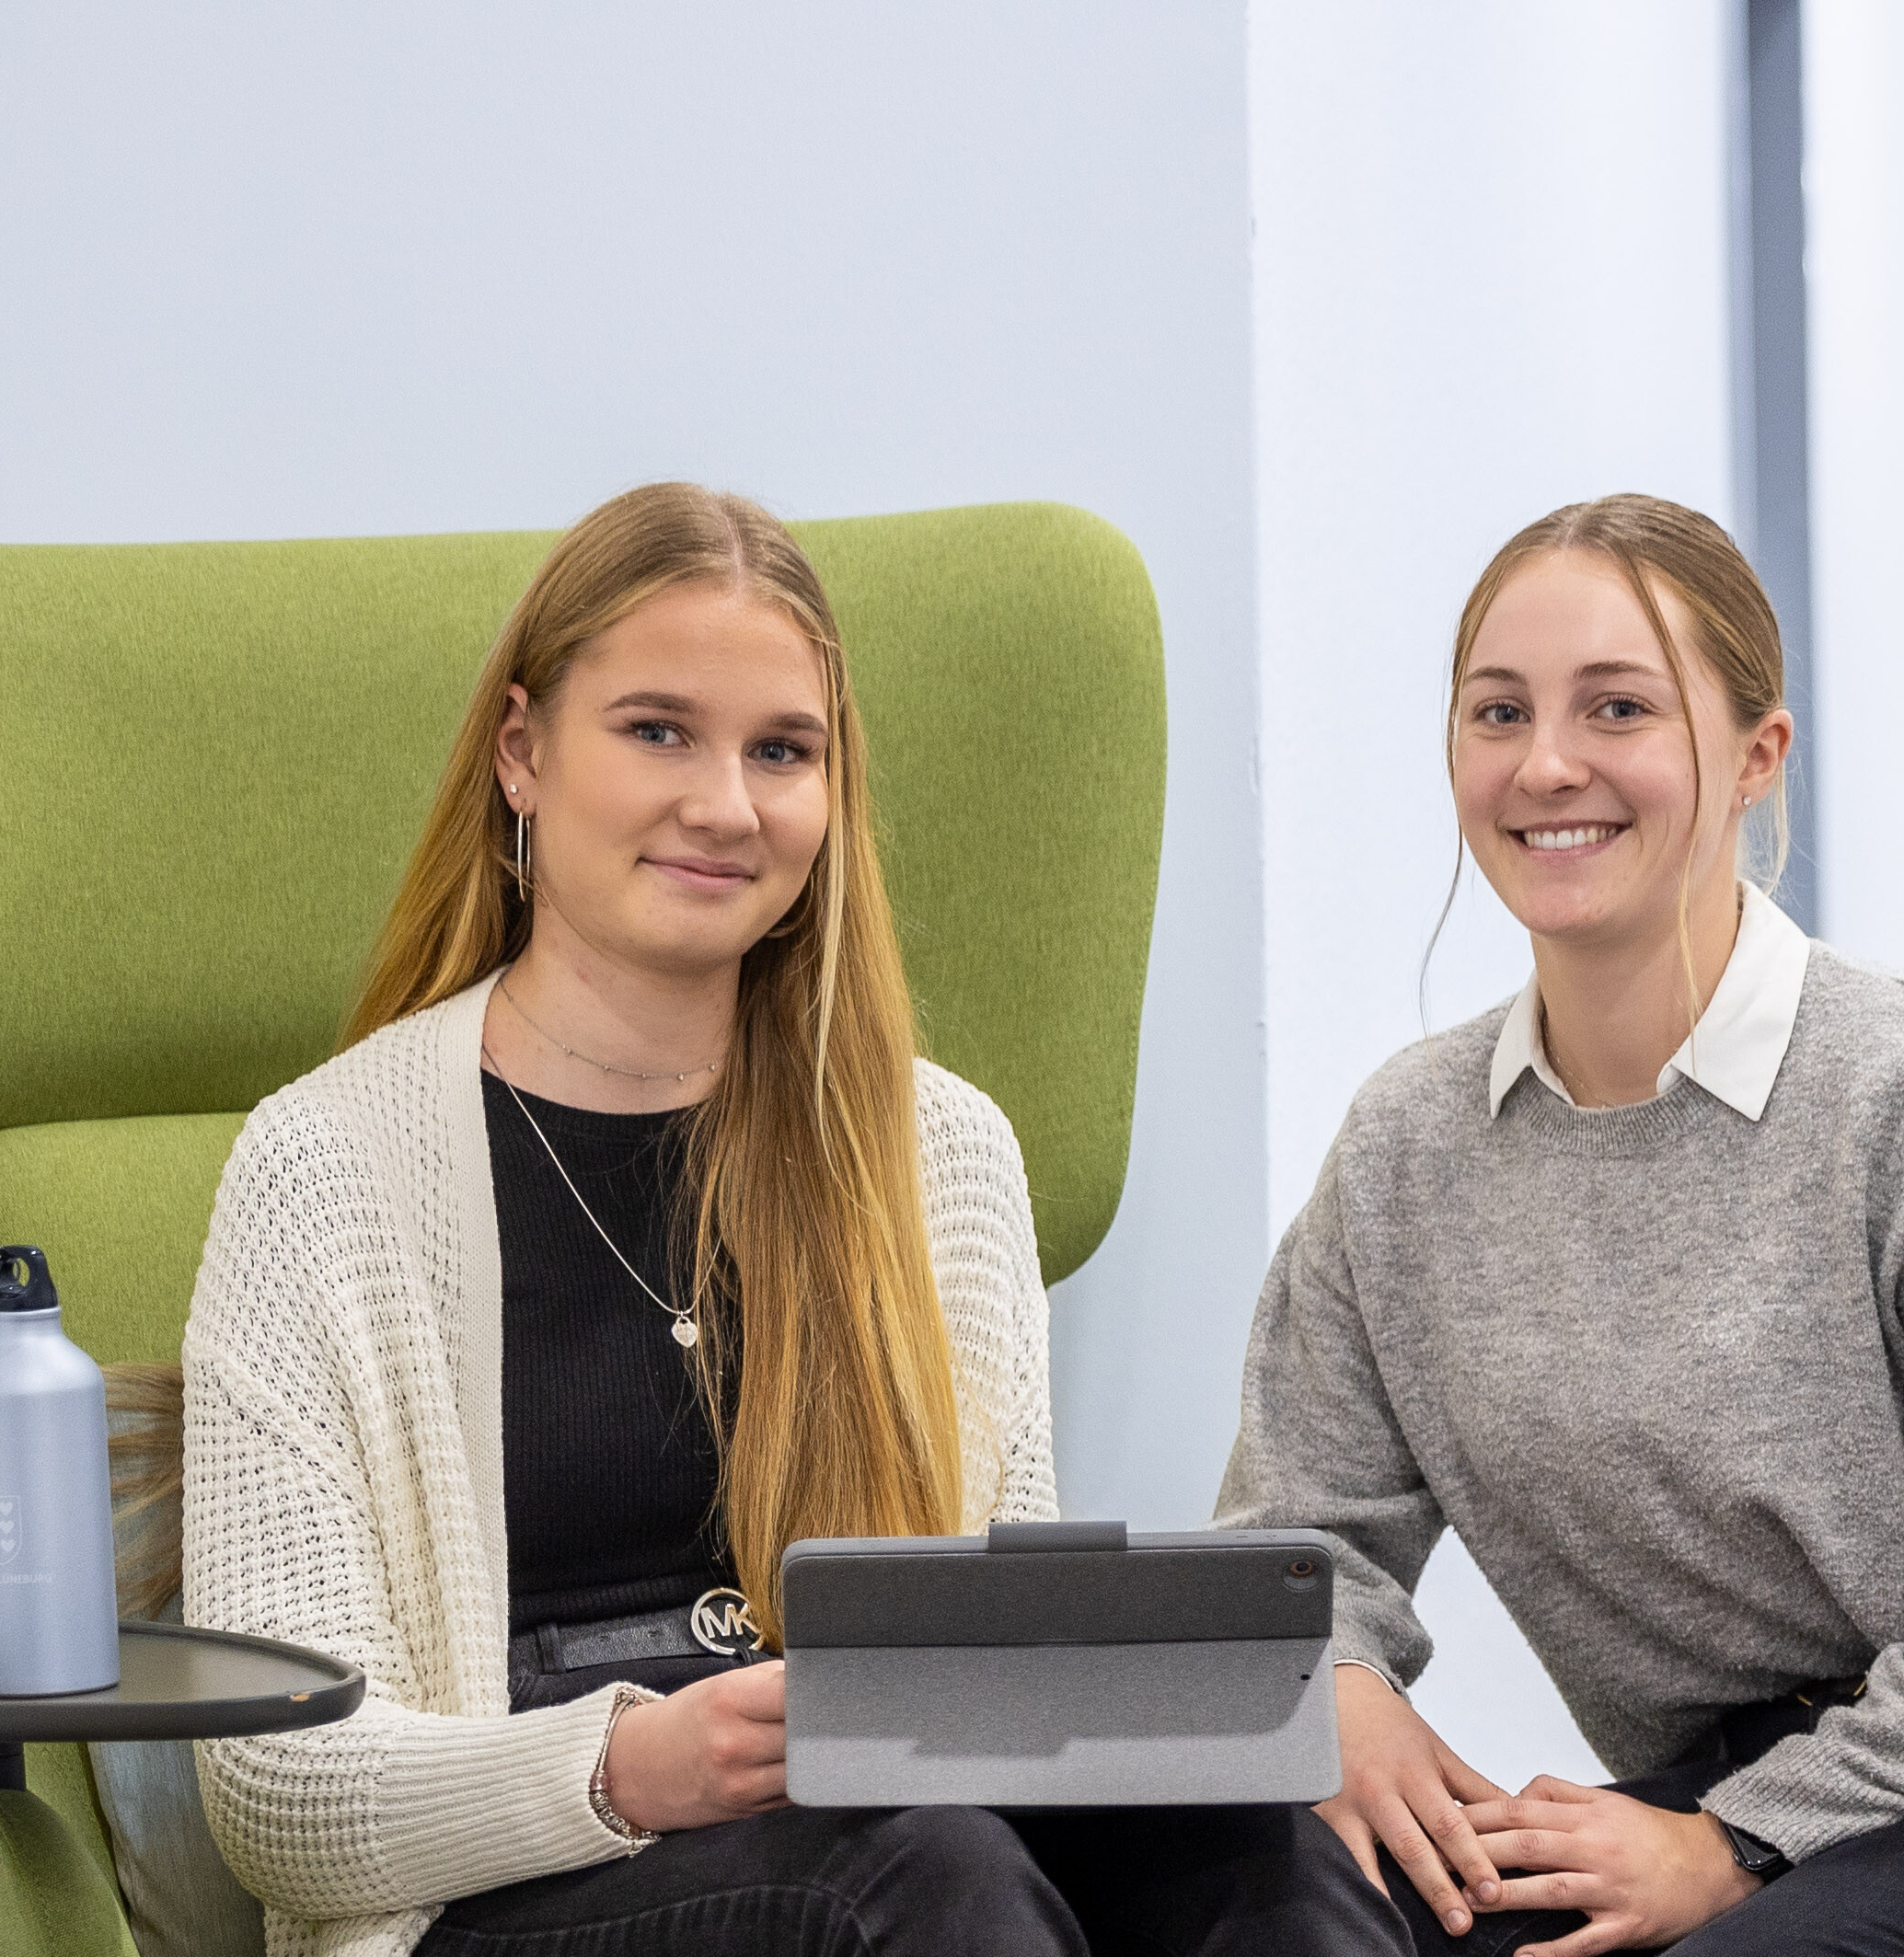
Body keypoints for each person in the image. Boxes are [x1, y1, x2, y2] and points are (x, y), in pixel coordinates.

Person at [176, 483, 1397, 1957]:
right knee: (919, 1876)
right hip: (505, 1890)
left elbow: (1009, 1685)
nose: (727, 806)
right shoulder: (324, 1169)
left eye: (782, 751)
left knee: (1271, 1862)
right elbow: (277, 1789)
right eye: (657, 731)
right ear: (522, 753)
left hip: (893, 1827)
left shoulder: (941, 1154)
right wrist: (632, 1766)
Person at [1218, 494, 1904, 1957]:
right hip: (1772, 1778)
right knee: (1280, 1901)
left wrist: (1736, 1843)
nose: (1546, 764)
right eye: (1499, 712)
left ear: (1758, 756)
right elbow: (1295, 1543)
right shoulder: (1406, 1149)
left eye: (1618, 708)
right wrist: (1343, 1683)